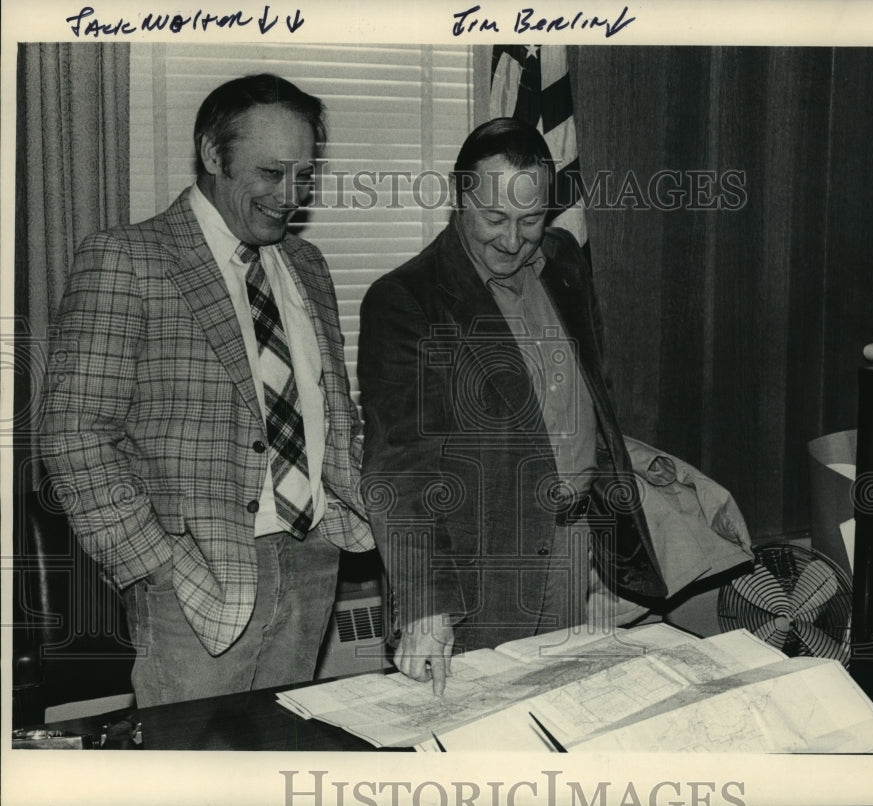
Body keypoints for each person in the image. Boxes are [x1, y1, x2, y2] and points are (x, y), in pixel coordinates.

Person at [39, 74, 373, 707]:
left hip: (313, 560)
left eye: (304, 176)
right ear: (213, 155)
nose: (290, 196)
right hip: (196, 582)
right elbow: (74, 436)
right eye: (271, 173)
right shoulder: (127, 259)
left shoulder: (308, 265)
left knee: (281, 756)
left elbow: (332, 409)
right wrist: (160, 565)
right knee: (190, 772)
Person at [358, 117, 667, 695]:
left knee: (561, 724)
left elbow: (589, 395)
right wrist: (426, 602)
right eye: (494, 219)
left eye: (530, 220)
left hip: (577, 546)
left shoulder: (565, 259)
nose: (511, 240)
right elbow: (398, 467)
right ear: (459, 198)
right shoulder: (405, 301)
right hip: (482, 573)